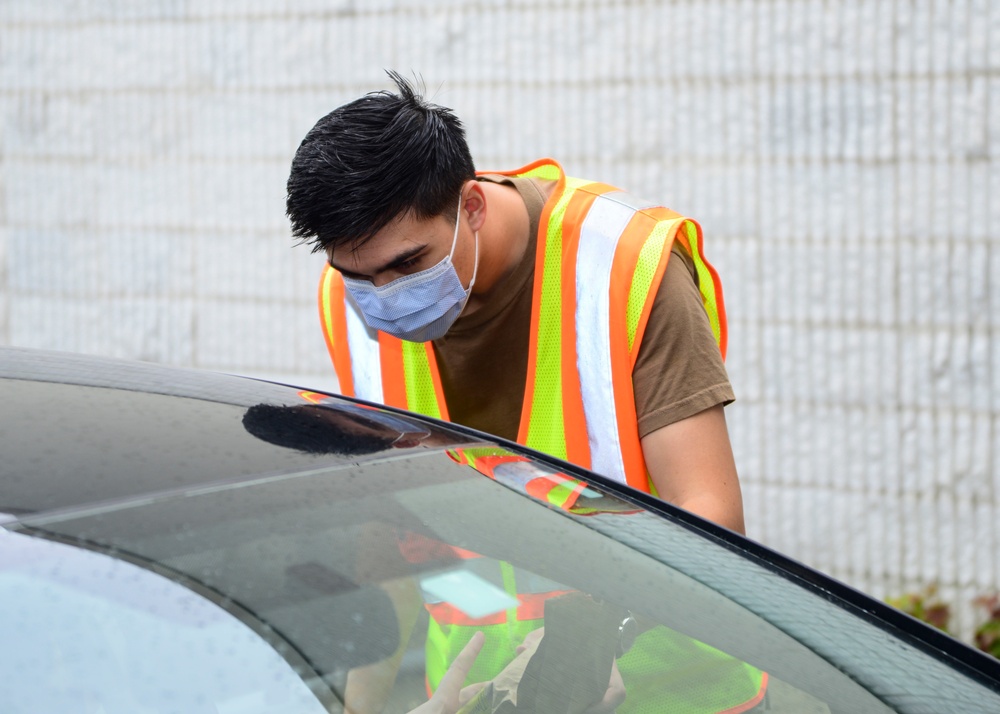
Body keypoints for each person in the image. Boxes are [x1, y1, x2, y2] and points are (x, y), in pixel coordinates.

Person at [285, 72, 765, 714]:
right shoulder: (353, 305)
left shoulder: (622, 266)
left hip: (667, 693)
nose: (386, 296)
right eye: (359, 275)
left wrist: (583, 648)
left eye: (408, 264)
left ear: (472, 207)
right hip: (480, 696)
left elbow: (709, 511)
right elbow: (390, 530)